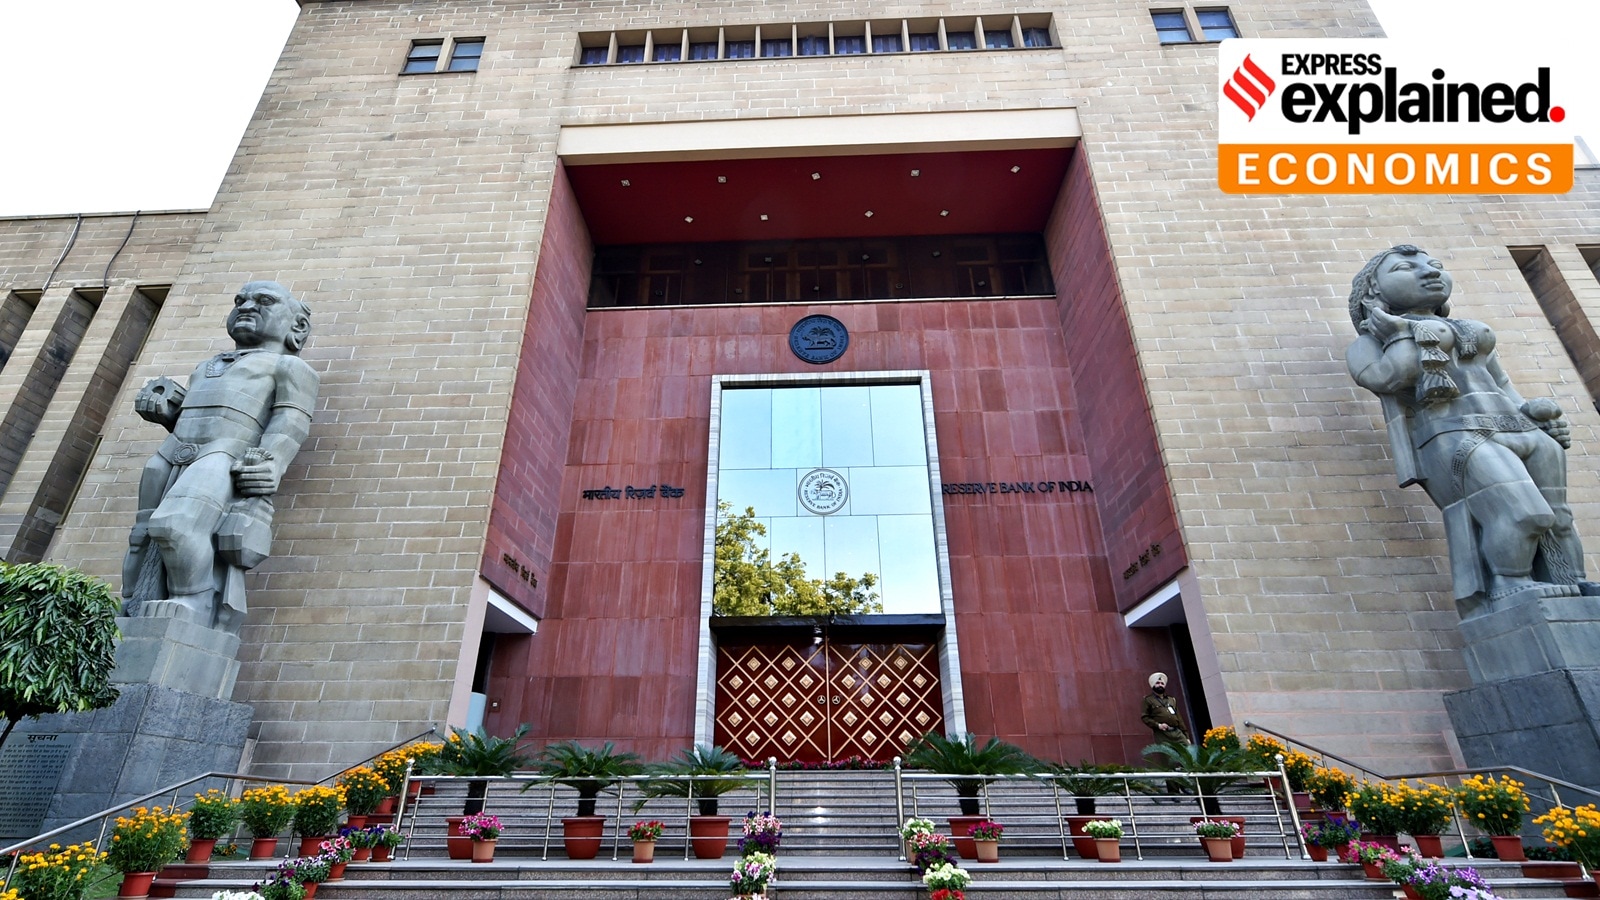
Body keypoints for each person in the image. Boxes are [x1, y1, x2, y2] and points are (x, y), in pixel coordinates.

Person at [1346, 245, 1592, 612]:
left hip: (1518, 427)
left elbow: (1501, 383)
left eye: (1435, 265)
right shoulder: (1368, 345)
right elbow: (1391, 377)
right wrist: (1401, 334)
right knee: (1525, 513)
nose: (1429, 272)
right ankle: (1511, 582)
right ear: (1373, 292)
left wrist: (1536, 411)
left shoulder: (1467, 329)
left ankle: (1570, 580)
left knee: (1558, 516)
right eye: (1404, 268)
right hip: (1456, 432)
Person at [123, 280, 319, 634]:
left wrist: (272, 461)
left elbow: (290, 422)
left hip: (224, 454)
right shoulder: (206, 366)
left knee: (175, 525)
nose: (246, 306)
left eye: (264, 301)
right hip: (173, 453)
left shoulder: (288, 368)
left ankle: (194, 599)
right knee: (142, 534)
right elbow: (193, 417)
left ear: (297, 325)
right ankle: (131, 599)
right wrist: (164, 411)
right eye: (240, 300)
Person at [1141, 672, 1190, 798]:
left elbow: (1179, 718)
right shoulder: (1148, 700)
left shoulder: (1171, 700)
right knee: (1169, 762)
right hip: (1163, 734)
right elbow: (1145, 717)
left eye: (1162, 683)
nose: (1160, 684)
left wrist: (1186, 735)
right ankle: (1174, 791)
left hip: (1177, 732)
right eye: (1157, 683)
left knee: (1188, 757)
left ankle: (1186, 785)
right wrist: (1157, 725)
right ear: (1153, 685)